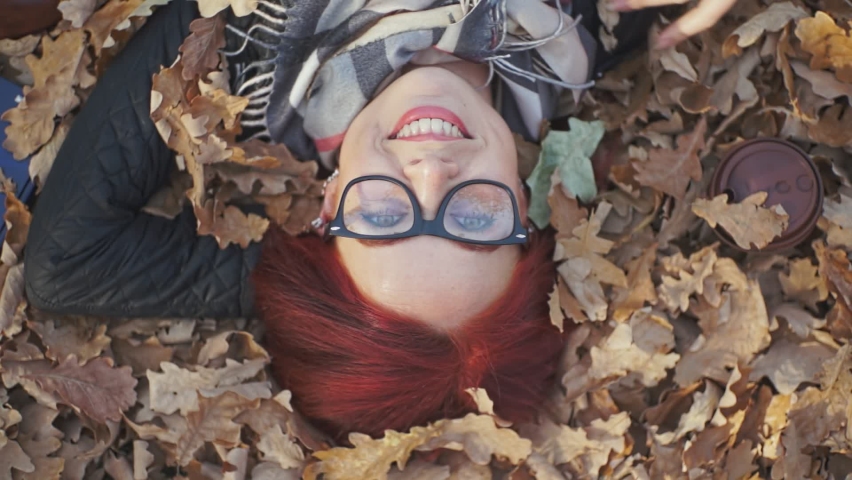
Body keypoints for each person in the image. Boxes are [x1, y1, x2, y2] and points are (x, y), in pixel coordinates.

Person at [22, 0, 734, 439]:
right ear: (525, 207)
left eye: (384, 214)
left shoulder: (245, 44)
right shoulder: (588, 36)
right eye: (476, 217)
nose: (429, 172)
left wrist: (313, 292)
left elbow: (68, 263)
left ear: (325, 207)